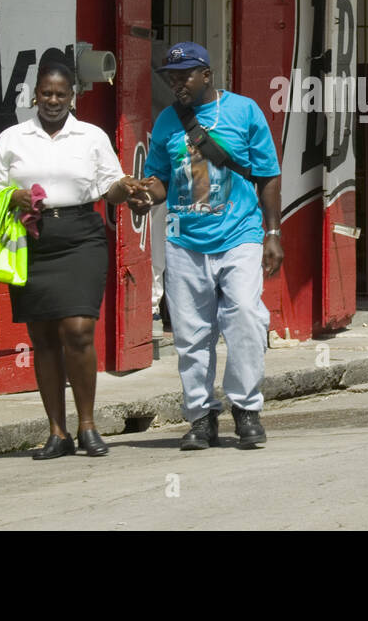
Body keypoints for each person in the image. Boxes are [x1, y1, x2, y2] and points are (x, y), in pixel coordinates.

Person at [0, 53, 142, 459]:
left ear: (73, 97)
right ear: (34, 96)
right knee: (43, 337)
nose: (53, 101)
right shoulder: (13, 139)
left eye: (61, 94)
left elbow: (110, 186)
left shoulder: (91, 136)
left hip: (81, 236)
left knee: (78, 329)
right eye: (45, 94)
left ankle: (87, 425)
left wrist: (127, 188)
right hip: (33, 239)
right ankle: (57, 432)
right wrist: (12, 195)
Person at [127, 42, 283, 450]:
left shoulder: (245, 111)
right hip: (184, 239)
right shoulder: (166, 122)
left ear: (207, 75)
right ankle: (200, 417)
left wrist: (272, 234)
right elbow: (159, 178)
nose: (177, 83)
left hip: (241, 235)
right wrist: (146, 194)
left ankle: (247, 410)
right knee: (192, 334)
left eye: (185, 76)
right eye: (171, 77)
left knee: (246, 317)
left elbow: (267, 175)